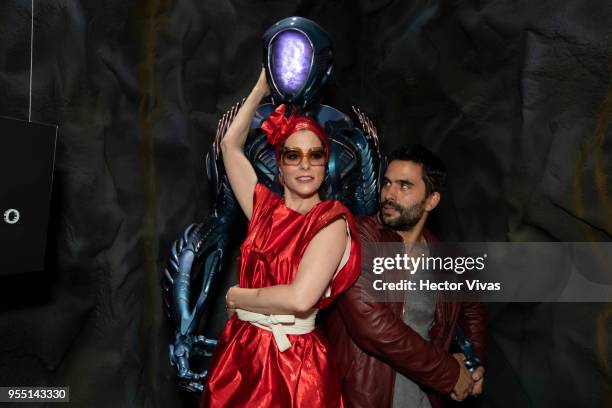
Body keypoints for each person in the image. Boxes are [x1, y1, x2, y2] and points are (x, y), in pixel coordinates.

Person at [200, 69, 361, 408]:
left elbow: (300, 299)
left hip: (294, 365)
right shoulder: (264, 210)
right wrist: (262, 85)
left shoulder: (331, 222)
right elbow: (230, 146)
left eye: (315, 155)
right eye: (293, 155)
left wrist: (237, 295)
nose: (305, 165)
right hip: (241, 352)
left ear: (324, 162)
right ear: (280, 163)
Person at [323, 145, 486, 408]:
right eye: (387, 183)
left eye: (404, 186)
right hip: (363, 398)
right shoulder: (356, 236)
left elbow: (472, 309)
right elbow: (372, 324)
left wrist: (473, 364)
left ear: (431, 200)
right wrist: (449, 373)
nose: (389, 194)